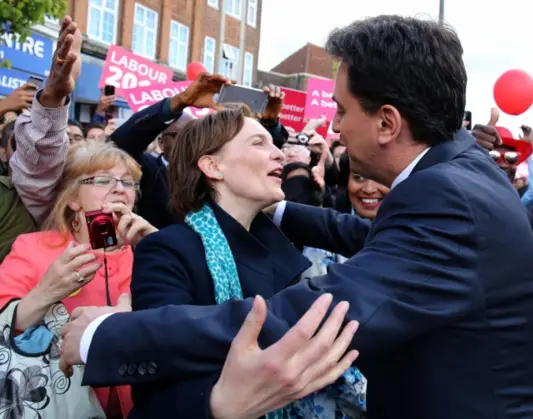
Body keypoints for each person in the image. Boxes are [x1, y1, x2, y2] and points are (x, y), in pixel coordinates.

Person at [61, 15, 533, 419]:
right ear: (212, 165)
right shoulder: (462, 177)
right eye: (258, 142)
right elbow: (357, 235)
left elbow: (314, 314)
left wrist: (107, 335)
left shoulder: (444, 195)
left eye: (342, 108)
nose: (333, 125)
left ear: (387, 122)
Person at [126, 109, 365, 418]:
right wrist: (222, 405)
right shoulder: (167, 251)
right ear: (213, 166)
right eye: (258, 143)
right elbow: (157, 391)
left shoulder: (280, 246)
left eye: (274, 144)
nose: (279, 154)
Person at [0, 140, 156, 418]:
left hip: (141, 404)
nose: (119, 188)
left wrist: (161, 252)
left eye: (129, 182)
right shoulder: (34, 248)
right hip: (60, 403)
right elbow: (6, 327)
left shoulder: (150, 249)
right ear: (73, 198)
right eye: (103, 180)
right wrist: (46, 292)